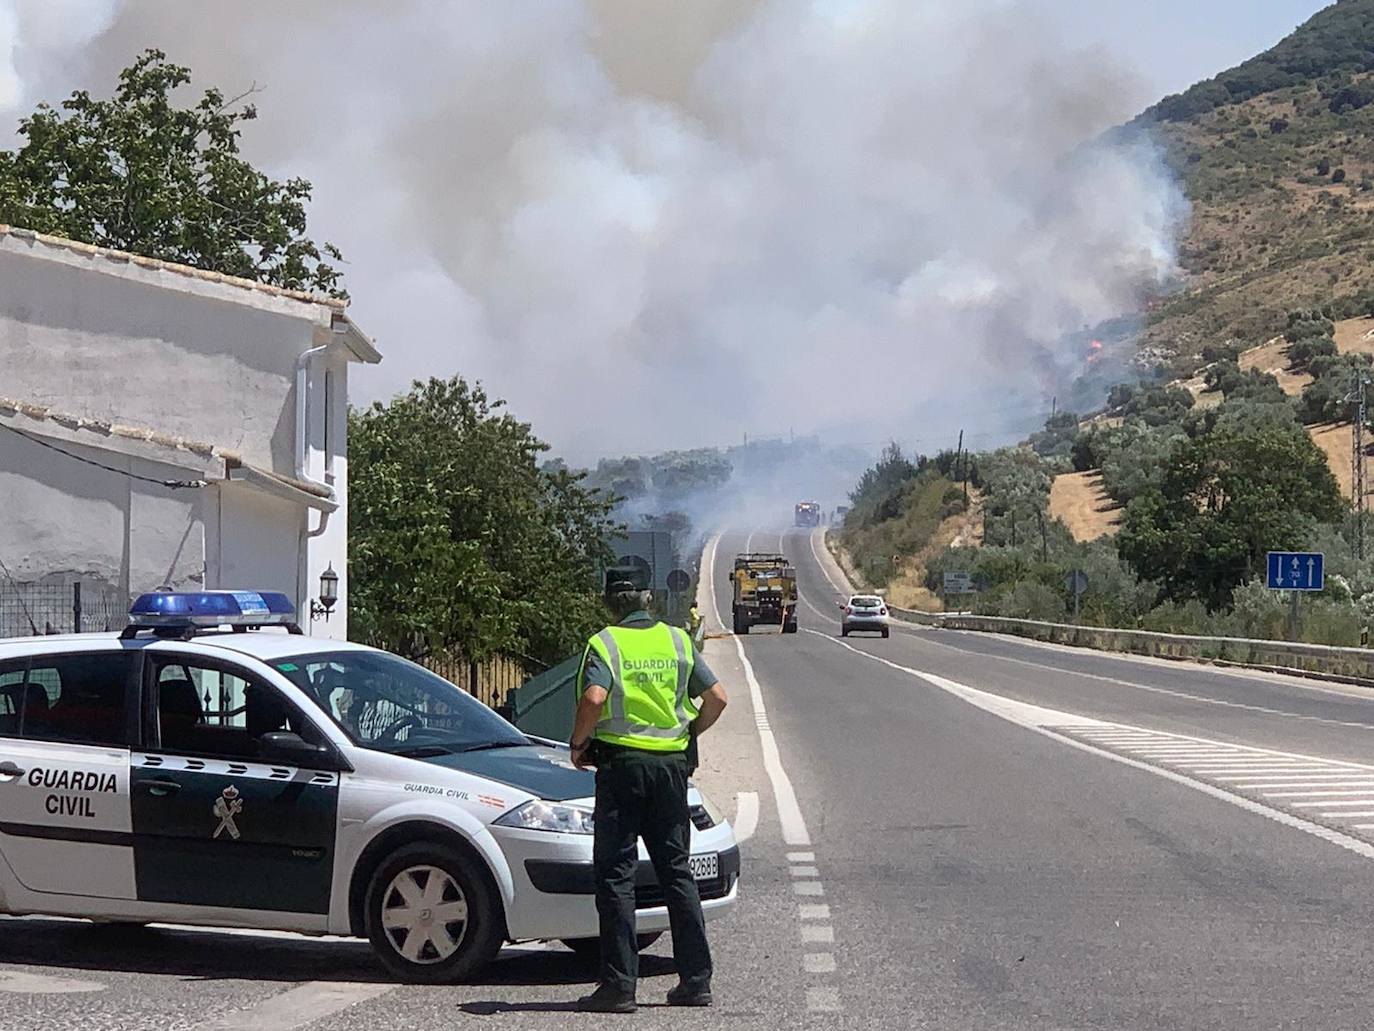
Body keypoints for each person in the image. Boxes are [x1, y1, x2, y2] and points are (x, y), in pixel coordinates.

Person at [570, 577, 729, 1014]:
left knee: (617, 875)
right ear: (648, 600)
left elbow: (594, 696)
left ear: (609, 603)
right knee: (677, 872)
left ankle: (619, 987)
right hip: (670, 771)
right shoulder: (677, 640)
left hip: (622, 770)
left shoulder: (604, 643)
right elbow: (717, 697)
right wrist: (685, 733)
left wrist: (578, 743)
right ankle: (696, 982)